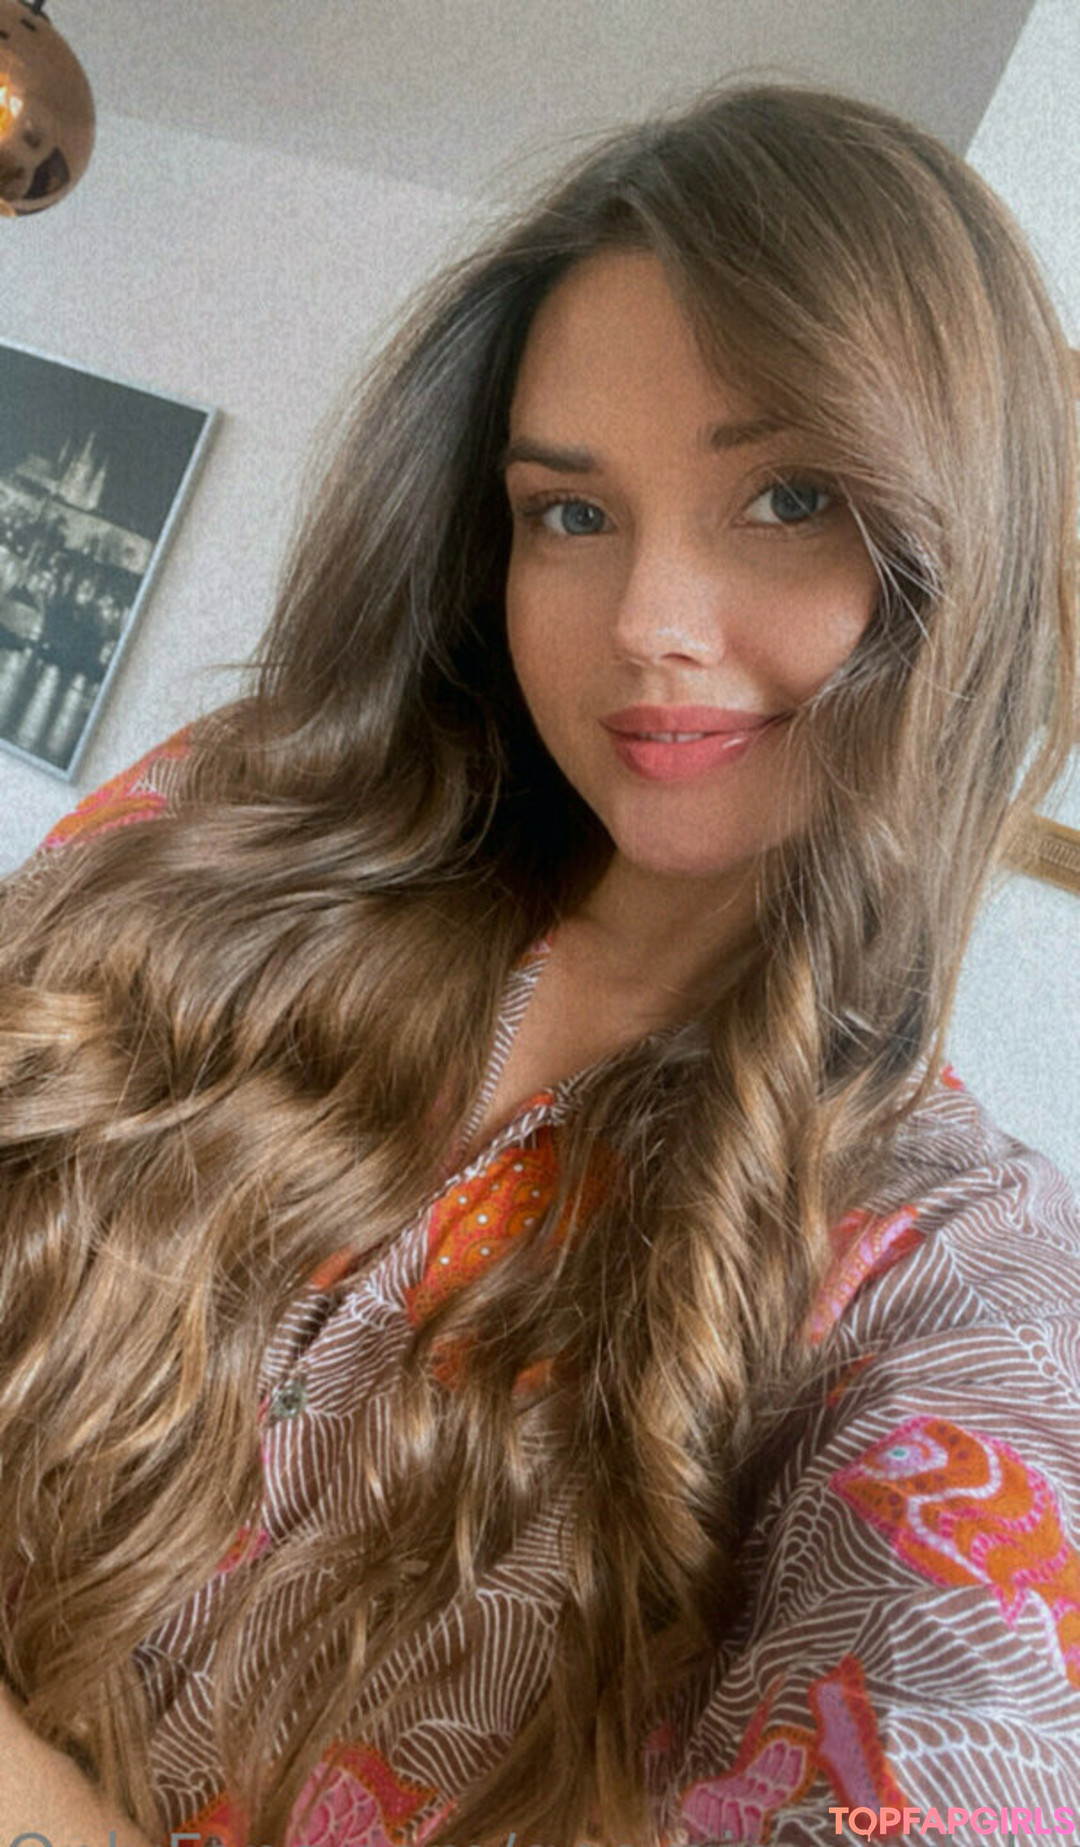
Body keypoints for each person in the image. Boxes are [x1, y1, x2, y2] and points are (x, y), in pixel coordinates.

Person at [0, 79, 1078, 1847]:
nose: (649, 621)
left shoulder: (950, 1285)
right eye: (570, 514)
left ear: (967, 553)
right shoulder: (226, 824)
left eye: (788, 496)